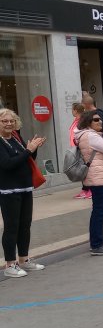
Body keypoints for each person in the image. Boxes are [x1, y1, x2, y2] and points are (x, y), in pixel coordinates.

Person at [0, 109, 46, 277]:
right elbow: (7, 164)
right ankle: (10, 265)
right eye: (4, 121)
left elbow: (27, 159)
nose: (9, 124)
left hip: (25, 187)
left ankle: (24, 260)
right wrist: (28, 150)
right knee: (12, 226)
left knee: (25, 225)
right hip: (8, 190)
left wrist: (33, 149)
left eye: (11, 121)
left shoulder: (15, 138)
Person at [74, 110, 103, 256]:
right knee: (99, 211)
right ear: (88, 122)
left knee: (98, 211)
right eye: (96, 120)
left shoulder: (86, 135)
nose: (100, 122)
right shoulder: (91, 136)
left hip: (97, 176)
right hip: (99, 176)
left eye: (100, 119)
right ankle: (97, 245)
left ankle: (98, 241)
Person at [69, 102, 91, 200]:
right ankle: (85, 189)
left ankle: (89, 190)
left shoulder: (82, 121)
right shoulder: (76, 120)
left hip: (81, 148)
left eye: (72, 109)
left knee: (84, 168)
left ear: (76, 110)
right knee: (81, 168)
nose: (72, 111)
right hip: (76, 148)